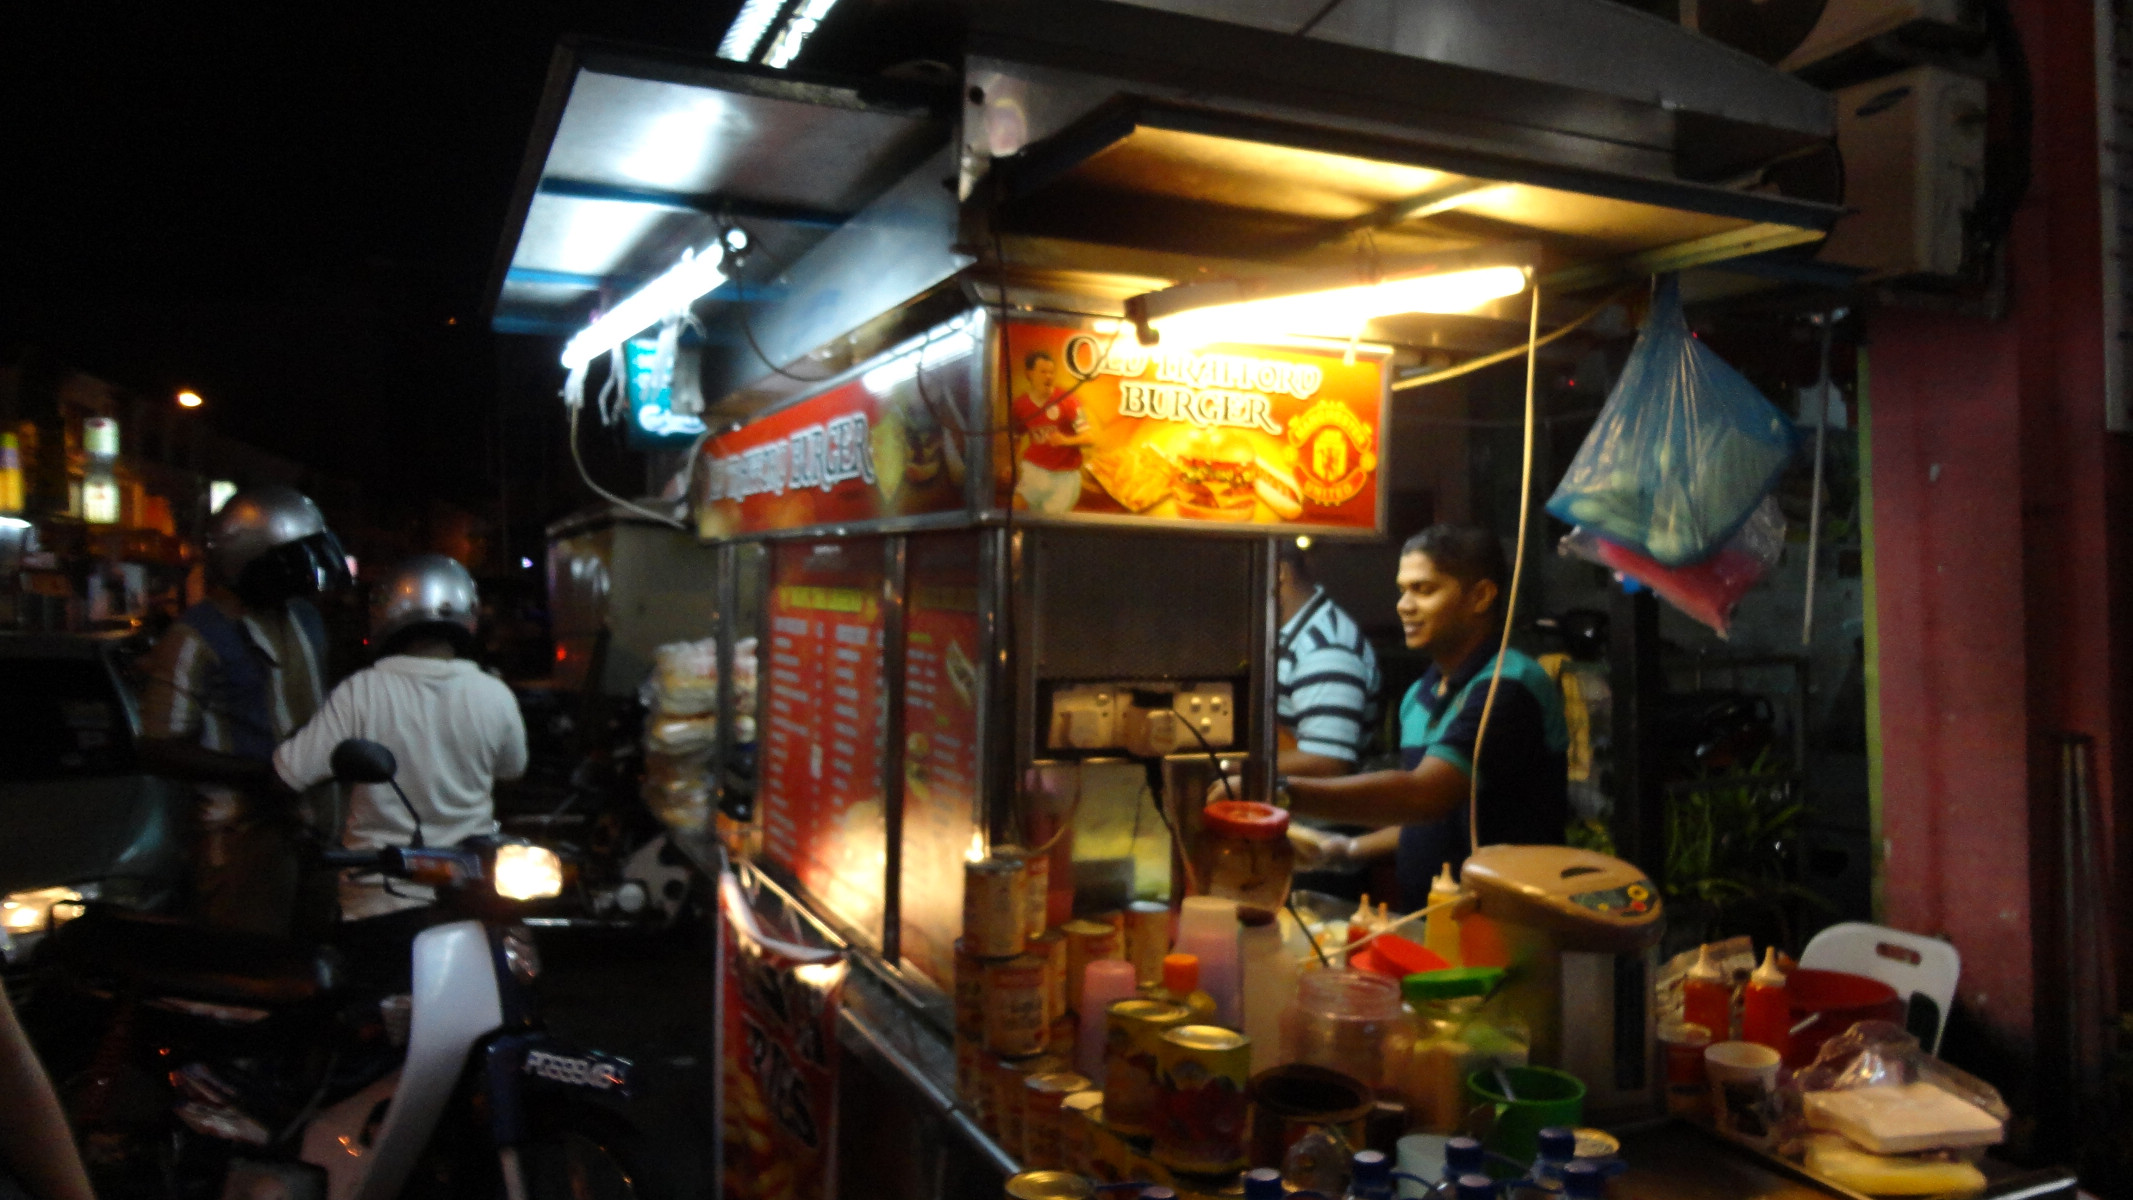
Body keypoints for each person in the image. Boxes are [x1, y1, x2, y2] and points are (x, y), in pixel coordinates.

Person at [1275, 525, 1568, 908]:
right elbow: (1430, 819)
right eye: (1403, 590)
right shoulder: (1419, 695)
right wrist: (1346, 849)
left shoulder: (1508, 685)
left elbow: (1424, 796)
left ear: (1480, 596)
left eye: (1424, 590)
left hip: (1504, 921)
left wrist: (1278, 792)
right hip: (1431, 917)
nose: (1404, 605)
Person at [271, 555, 527, 933]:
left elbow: (287, 774)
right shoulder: (495, 694)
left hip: (377, 898)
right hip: (468, 894)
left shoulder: (363, 691)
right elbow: (512, 769)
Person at [139, 485, 351, 936]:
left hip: (315, 834)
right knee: (252, 964)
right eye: (294, 557)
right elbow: (160, 746)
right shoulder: (195, 636)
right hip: (243, 842)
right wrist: (265, 775)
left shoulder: (306, 620)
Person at [1273, 541, 1380, 777]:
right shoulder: (1290, 632)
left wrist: (1227, 766)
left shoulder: (1325, 647)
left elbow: (1328, 762)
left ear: (1279, 572)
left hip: (1310, 800)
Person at [1011, 350, 1096, 514]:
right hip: (1034, 470)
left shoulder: (1069, 401)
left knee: (1049, 522)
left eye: (1051, 372)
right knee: (1016, 509)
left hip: (1064, 477)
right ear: (1029, 374)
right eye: (1043, 372)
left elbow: (1089, 437)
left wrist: (1066, 440)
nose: (1048, 376)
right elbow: (1015, 437)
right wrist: (1012, 464)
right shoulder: (1020, 405)